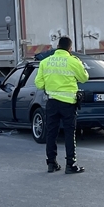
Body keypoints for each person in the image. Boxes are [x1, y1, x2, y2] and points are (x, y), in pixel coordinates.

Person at [35, 36, 89, 174]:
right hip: (68, 104)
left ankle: (51, 164)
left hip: (51, 102)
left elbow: (39, 84)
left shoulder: (45, 62)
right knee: (69, 134)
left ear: (58, 46)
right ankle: (71, 164)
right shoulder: (73, 61)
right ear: (70, 48)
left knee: (51, 133)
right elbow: (84, 78)